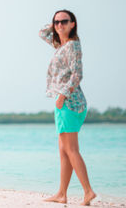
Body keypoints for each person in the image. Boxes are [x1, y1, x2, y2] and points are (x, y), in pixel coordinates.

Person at [39, 10, 96, 205]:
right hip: (66, 102)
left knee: (71, 150)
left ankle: (88, 191)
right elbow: (41, 33)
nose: (59, 25)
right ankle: (62, 194)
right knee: (64, 151)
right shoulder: (61, 45)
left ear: (73, 24)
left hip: (69, 102)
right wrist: (53, 26)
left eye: (64, 21)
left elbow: (77, 75)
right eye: (56, 22)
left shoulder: (72, 46)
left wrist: (62, 95)